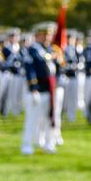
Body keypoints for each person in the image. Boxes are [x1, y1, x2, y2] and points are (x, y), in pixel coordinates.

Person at [22, 22, 60, 154]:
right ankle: (27, 144)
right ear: (38, 35)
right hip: (38, 89)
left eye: (49, 35)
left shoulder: (49, 49)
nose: (48, 37)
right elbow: (30, 70)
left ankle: (48, 143)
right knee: (32, 119)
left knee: (49, 118)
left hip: (49, 88)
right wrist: (33, 88)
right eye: (45, 35)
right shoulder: (32, 50)